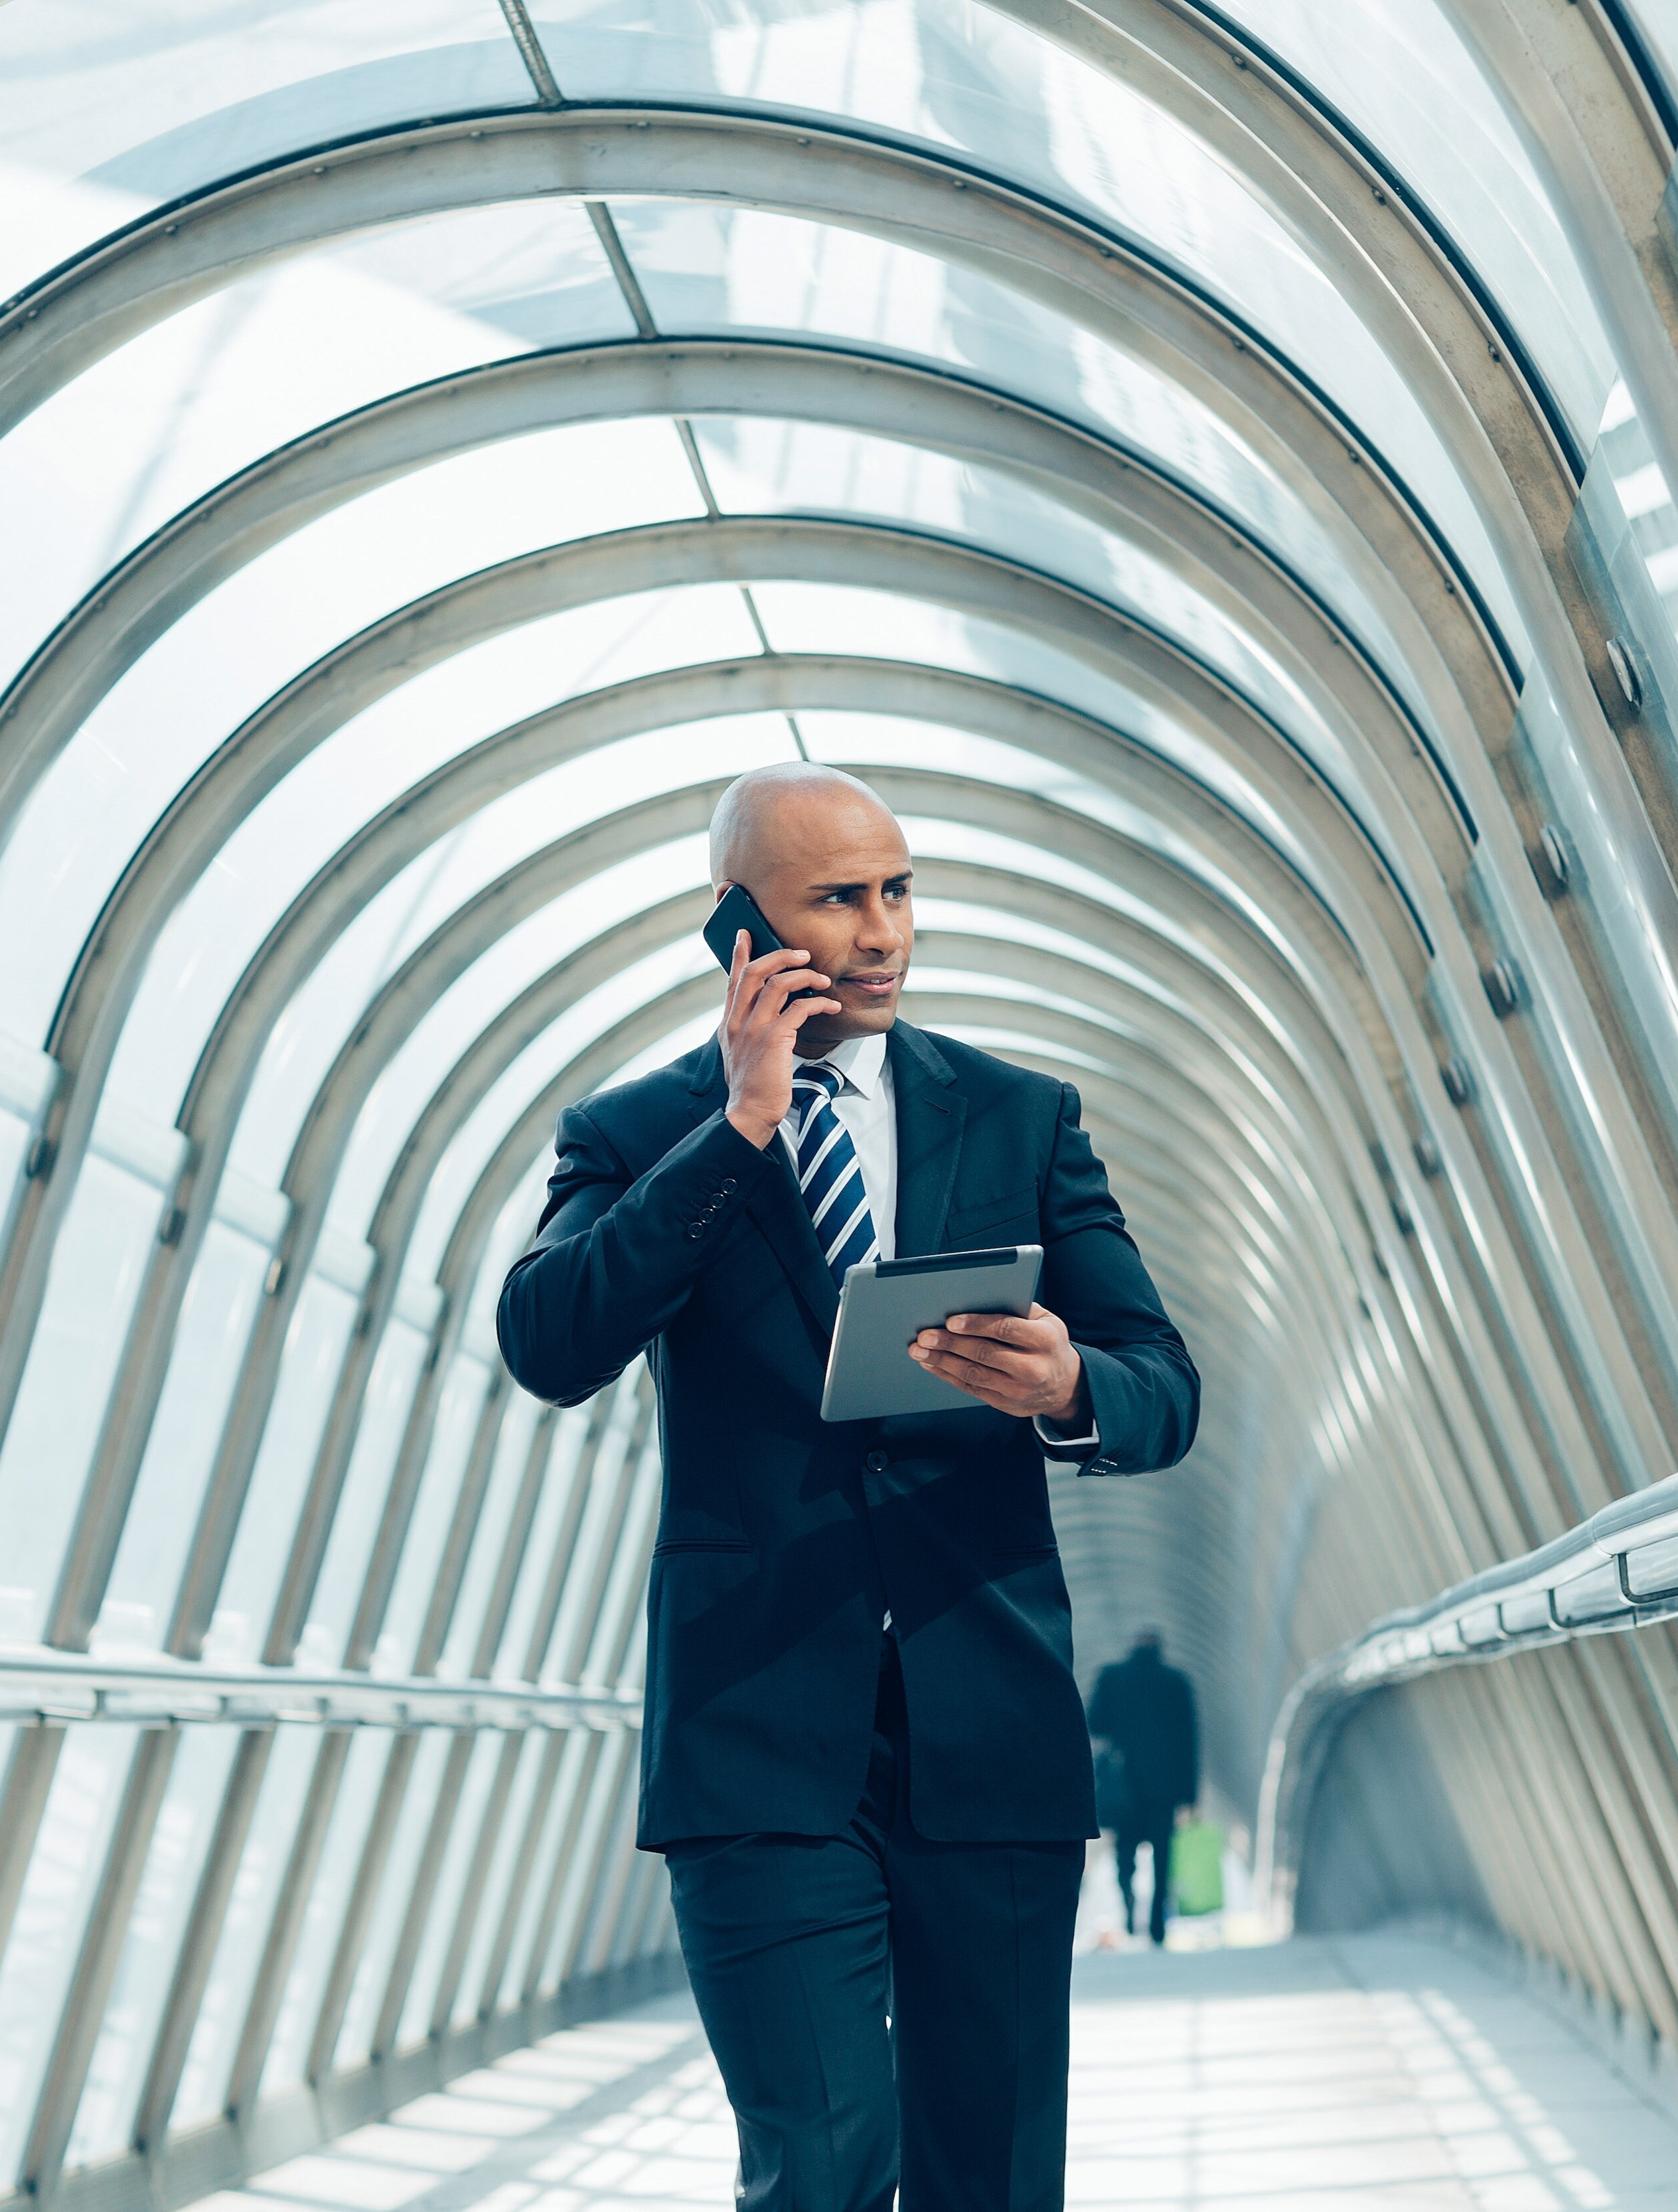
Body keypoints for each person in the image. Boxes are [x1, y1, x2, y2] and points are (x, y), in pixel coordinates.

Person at [496, 763, 1200, 2212]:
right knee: (815, 2166)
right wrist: (740, 1124)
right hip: (757, 1735)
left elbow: (1161, 1385)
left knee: (992, 2178)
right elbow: (550, 1338)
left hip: (987, 1721)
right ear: (736, 929)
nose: (882, 931)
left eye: (897, 889)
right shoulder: (636, 1135)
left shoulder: (1018, 1118)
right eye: (838, 897)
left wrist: (1069, 1382)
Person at [1086, 1628, 1199, 1947]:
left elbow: (1094, 1722)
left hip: (1124, 1784)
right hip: (1164, 1790)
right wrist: (1189, 1796)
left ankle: (1128, 1904)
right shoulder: (1176, 1682)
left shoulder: (1113, 1677)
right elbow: (1189, 1741)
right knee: (1163, 1855)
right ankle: (1156, 1926)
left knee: (1125, 1854)